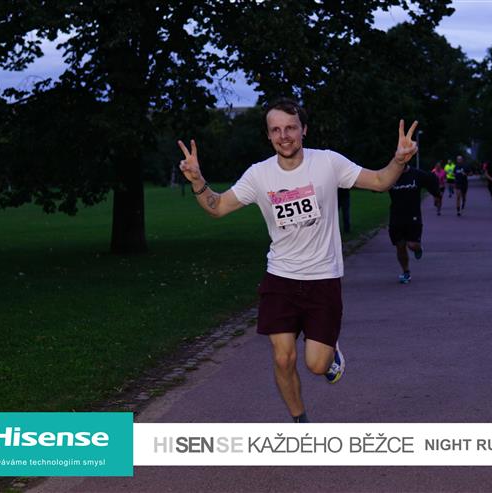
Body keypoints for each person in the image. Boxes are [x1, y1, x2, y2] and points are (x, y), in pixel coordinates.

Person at [177, 98, 419, 422]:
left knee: (316, 365)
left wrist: (398, 161)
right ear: (268, 135)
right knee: (283, 358)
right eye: (276, 130)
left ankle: (330, 356)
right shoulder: (259, 175)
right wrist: (197, 180)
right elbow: (218, 207)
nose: (284, 136)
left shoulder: (327, 163)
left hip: (322, 278)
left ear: (303, 129)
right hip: (280, 277)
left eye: (290, 128)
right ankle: (300, 422)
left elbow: (379, 181)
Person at [388, 163, 441, 284]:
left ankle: (418, 248)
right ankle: (406, 272)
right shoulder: (391, 175)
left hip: (413, 216)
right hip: (396, 216)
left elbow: (432, 179)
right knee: (400, 245)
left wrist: (437, 195)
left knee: (412, 245)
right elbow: (378, 183)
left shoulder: (417, 174)